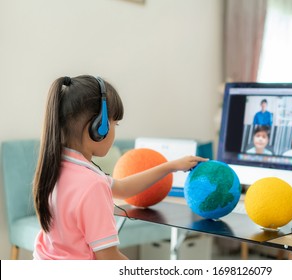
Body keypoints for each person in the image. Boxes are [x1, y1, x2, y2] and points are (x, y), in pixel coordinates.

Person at [32, 75, 208, 260]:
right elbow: (108, 258)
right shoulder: (92, 185)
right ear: (99, 128)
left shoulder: (56, 168)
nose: (115, 130)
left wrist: (170, 166)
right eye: (115, 124)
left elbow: (123, 189)